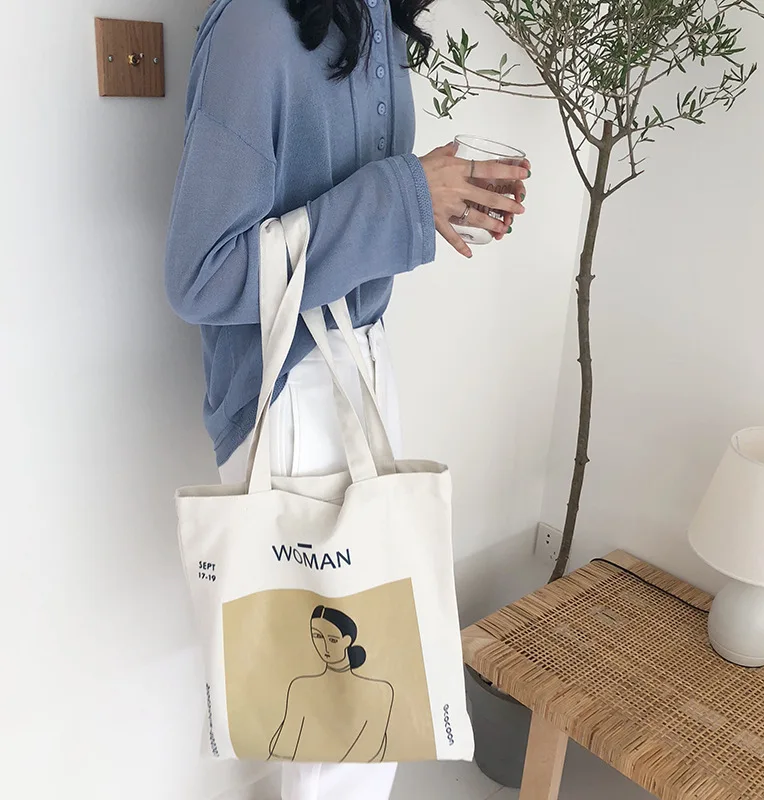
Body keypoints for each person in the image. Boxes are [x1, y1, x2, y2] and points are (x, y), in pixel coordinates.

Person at [165, 1, 528, 798]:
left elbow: (341, 207)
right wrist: (404, 197)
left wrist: (429, 200)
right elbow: (201, 275)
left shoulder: (376, 18)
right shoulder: (256, 24)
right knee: (336, 753)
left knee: (361, 727)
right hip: (291, 395)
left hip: (359, 363)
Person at [270, 607, 394, 764]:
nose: (325, 647)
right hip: (290, 773)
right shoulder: (300, 687)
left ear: (347, 640)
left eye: (333, 639)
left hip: (355, 777)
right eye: (317, 636)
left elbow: (369, 748)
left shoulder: (379, 692)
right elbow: (283, 747)